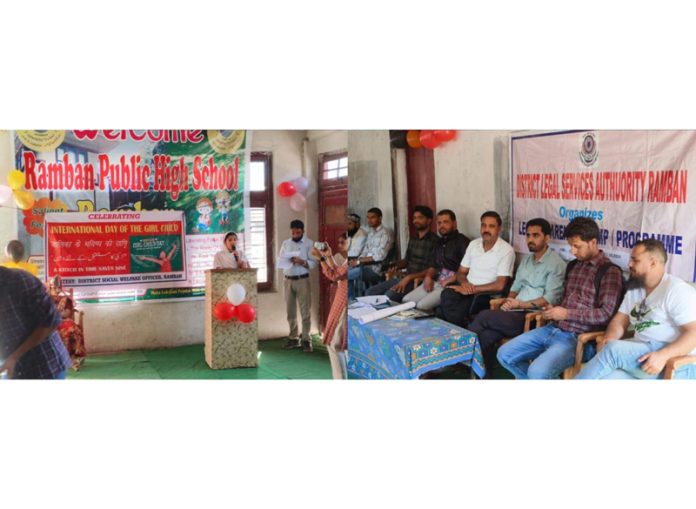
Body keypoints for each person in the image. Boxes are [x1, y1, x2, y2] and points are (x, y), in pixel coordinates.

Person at [497, 217, 624, 379]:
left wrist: (566, 314)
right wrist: (552, 310)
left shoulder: (609, 272)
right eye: (571, 246)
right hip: (552, 328)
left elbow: (606, 314)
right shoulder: (573, 266)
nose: (572, 251)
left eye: (577, 246)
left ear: (593, 242)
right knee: (504, 354)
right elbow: (564, 302)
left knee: (536, 371)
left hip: (578, 339)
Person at [576, 239, 696, 379]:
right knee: (606, 378)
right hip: (640, 357)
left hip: (674, 363)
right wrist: (609, 338)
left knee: (613, 350)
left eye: (635, 260)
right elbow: (620, 321)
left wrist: (664, 355)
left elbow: (694, 333)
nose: (629, 264)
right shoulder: (636, 288)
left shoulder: (676, 290)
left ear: (653, 263)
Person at [466, 218, 566, 376]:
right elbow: (515, 287)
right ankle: (483, 377)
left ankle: (461, 351)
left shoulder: (556, 264)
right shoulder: (527, 259)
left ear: (547, 238)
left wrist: (519, 304)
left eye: (535, 235)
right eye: (528, 235)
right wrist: (508, 301)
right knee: (485, 336)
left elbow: (549, 299)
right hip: (514, 313)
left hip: (533, 318)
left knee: (484, 315)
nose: (530, 239)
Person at [438, 211, 515, 327]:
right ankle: (458, 329)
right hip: (467, 289)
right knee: (446, 294)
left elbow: (500, 285)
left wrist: (473, 289)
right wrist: (465, 284)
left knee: (444, 312)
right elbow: (461, 272)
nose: (486, 229)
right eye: (483, 225)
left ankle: (459, 332)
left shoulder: (506, 250)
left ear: (499, 229)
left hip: (484, 295)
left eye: (491, 226)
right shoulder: (474, 244)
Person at [0, 266, 71, 379]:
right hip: (9, 366)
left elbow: (50, 322)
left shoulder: (20, 281)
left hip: (44, 365)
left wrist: (14, 357)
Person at [365, 205, 436, 302]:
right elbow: (406, 261)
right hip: (404, 279)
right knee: (370, 292)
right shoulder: (413, 239)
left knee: (388, 296)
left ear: (429, 221)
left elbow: (432, 268)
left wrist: (409, 277)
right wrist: (394, 265)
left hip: (418, 281)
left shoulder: (435, 241)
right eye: (414, 218)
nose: (416, 221)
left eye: (420, 218)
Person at [403, 209, 470, 310]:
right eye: (439, 223)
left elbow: (468, 269)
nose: (442, 225)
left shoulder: (462, 242)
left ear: (455, 223)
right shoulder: (438, 242)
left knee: (422, 306)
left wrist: (452, 279)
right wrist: (428, 277)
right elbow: (433, 265)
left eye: (445, 222)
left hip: (450, 285)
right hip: (435, 281)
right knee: (406, 301)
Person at [311, 234, 349, 379]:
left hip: (344, 303)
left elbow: (335, 275)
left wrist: (321, 259)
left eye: (342, 241)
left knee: (334, 345)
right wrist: (329, 256)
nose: (339, 244)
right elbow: (338, 271)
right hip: (341, 301)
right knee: (337, 344)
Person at [278, 219, 317, 352]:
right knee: (290, 311)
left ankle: (306, 339)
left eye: (298, 232)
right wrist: (286, 261)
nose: (295, 234)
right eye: (293, 232)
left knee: (305, 311)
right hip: (288, 280)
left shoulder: (309, 243)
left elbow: (314, 263)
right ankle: (293, 337)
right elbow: (280, 260)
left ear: (303, 231)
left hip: (302, 280)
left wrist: (302, 262)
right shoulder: (285, 243)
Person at [347, 207, 394, 294]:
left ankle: (351, 299)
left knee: (345, 275)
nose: (369, 220)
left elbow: (380, 256)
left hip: (377, 269)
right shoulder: (371, 233)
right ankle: (351, 300)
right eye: (368, 218)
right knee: (345, 270)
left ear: (380, 218)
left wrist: (358, 262)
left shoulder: (386, 233)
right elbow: (365, 250)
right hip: (364, 266)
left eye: (372, 217)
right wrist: (356, 262)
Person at [48, 275, 87, 370]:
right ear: (51, 286)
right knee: (67, 330)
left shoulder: (65, 298)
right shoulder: (46, 298)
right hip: (52, 323)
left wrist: (62, 313)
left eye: (58, 286)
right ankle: (69, 359)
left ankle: (74, 356)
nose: (57, 289)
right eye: (55, 286)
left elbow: (68, 312)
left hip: (64, 321)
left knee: (74, 328)